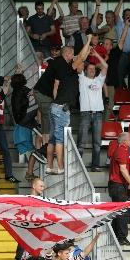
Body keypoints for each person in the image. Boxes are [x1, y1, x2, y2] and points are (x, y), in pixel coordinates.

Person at [46, 39, 92, 174]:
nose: (82, 66)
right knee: (60, 139)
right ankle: (61, 168)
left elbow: (82, 56)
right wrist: (89, 39)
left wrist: (88, 48)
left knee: (52, 139)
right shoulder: (70, 68)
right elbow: (81, 57)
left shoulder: (65, 68)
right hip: (61, 108)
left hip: (56, 106)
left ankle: (49, 166)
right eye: (81, 64)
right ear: (69, 55)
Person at [77, 49, 107, 171]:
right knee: (81, 142)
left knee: (97, 143)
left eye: (93, 69)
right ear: (85, 70)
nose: (92, 70)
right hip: (85, 114)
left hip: (98, 114)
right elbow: (78, 63)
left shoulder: (99, 80)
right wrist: (85, 56)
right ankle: (77, 166)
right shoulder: (82, 79)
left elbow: (105, 66)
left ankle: (95, 166)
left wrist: (96, 55)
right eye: (89, 69)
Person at [108, 132, 130, 245]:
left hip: (118, 185)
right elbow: (123, 170)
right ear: (124, 141)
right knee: (122, 212)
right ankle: (121, 237)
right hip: (117, 185)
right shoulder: (121, 150)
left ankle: (116, 236)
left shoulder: (123, 150)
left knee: (118, 212)